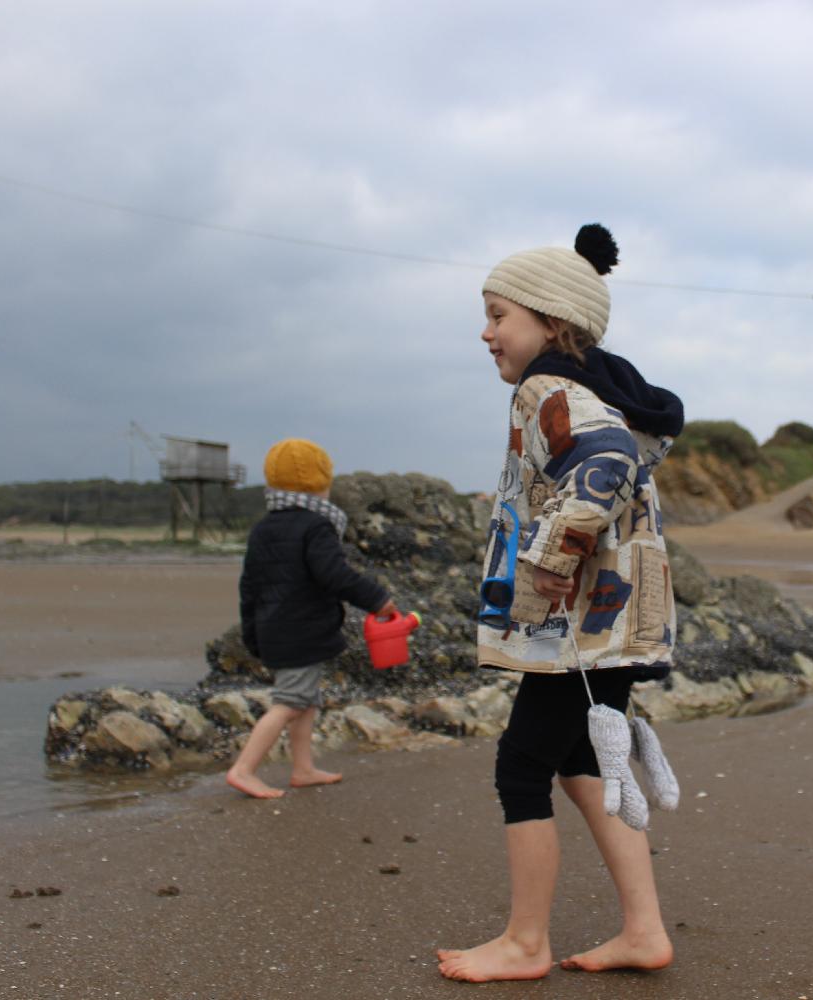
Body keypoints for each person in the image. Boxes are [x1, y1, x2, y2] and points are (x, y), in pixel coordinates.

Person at [437, 224, 684, 982]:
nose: (485, 333)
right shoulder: (598, 389)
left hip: (585, 620)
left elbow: (603, 462)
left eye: (497, 314)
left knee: (523, 766)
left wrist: (549, 555)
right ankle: (643, 931)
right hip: (615, 619)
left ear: (551, 322)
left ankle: (525, 943)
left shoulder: (548, 388)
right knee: (580, 759)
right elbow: (615, 455)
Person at [225, 437, 397, 799]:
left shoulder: (264, 528)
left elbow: (249, 587)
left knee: (306, 701)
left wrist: (252, 634)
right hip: (300, 631)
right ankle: (244, 769)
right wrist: (377, 599)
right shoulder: (315, 526)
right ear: (321, 482)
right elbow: (334, 574)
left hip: (275, 629)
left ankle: (303, 768)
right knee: (289, 702)